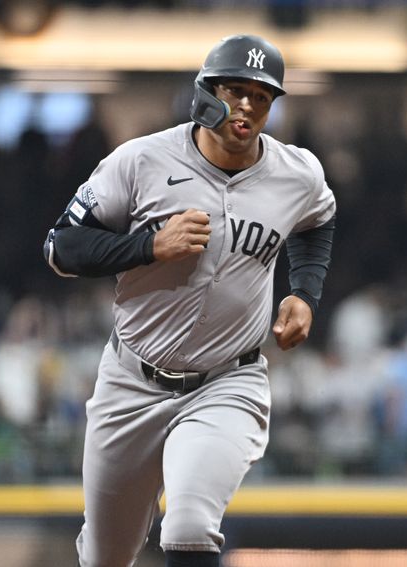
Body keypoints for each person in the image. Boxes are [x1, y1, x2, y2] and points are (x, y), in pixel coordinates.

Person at [43, 34, 336, 567]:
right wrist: (148, 245)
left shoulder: (297, 173)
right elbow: (61, 247)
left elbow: (318, 220)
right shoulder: (140, 161)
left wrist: (304, 293)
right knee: (106, 556)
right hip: (132, 381)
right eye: (235, 89)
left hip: (228, 381)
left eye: (262, 96)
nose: (247, 104)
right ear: (206, 91)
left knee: (189, 527)